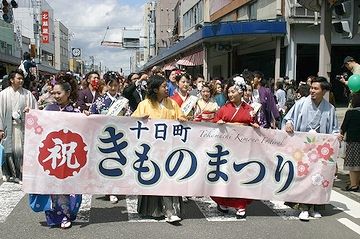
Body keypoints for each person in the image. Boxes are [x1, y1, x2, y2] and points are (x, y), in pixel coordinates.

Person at [29, 72, 82, 229]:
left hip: (70, 155)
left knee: (69, 187)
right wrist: (30, 114)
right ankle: (54, 216)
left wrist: (86, 117)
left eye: (59, 93)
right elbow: (37, 126)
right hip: (53, 153)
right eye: (54, 93)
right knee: (53, 187)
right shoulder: (48, 109)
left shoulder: (75, 111)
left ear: (68, 93)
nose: (56, 96)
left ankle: (67, 215)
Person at [282, 76, 339, 221]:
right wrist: (289, 123)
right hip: (303, 147)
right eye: (311, 88)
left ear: (324, 91)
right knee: (303, 176)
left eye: (316, 88)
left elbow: (334, 129)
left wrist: (336, 135)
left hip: (321, 149)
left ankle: (315, 206)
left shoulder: (330, 108)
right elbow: (289, 118)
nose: (312, 91)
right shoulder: (301, 103)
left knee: (318, 177)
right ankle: (303, 207)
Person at [131, 75, 186, 223]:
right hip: (151, 149)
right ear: (155, 89)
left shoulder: (173, 104)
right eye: (163, 86)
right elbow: (132, 122)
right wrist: (140, 118)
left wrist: (182, 119)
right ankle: (154, 210)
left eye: (167, 85)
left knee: (168, 178)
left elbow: (182, 118)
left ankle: (169, 211)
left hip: (169, 147)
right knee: (153, 178)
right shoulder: (144, 104)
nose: (167, 88)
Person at [211, 79, 259, 219]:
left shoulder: (249, 110)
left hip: (243, 148)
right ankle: (223, 202)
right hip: (226, 148)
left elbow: (254, 124)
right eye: (229, 92)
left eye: (233, 91)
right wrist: (218, 123)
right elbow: (214, 123)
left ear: (240, 92)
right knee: (225, 175)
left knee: (241, 175)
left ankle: (240, 205)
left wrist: (254, 126)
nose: (230, 94)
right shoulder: (224, 109)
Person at [89, 71, 131, 203]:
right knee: (105, 162)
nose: (113, 88)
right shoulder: (100, 101)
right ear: (106, 85)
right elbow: (93, 116)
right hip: (104, 135)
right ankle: (108, 189)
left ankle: (116, 188)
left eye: (116, 85)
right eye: (110, 85)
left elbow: (130, 117)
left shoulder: (123, 101)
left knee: (118, 162)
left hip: (119, 135)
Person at [0, 69, 38, 183]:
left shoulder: (27, 94)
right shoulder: (3, 94)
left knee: (20, 151)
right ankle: (8, 173)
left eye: (22, 79)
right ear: (12, 80)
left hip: (22, 127)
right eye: (18, 78)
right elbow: (0, 112)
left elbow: (35, 109)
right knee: (7, 150)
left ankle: (19, 174)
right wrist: (0, 128)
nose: (21, 80)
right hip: (8, 127)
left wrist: (29, 111)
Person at [339, 92, 360, 192]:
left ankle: (354, 185)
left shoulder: (350, 113)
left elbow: (343, 127)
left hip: (353, 142)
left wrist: (341, 135)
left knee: (353, 165)